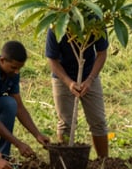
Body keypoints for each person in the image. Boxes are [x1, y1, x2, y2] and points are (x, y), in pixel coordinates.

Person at [0, 40, 50, 160]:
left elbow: (19, 108)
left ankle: (4, 155)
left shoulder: (12, 73)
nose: (17, 72)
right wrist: (18, 144)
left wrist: (37, 134)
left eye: (19, 68)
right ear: (2, 60)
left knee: (10, 103)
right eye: (14, 67)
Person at [46, 28, 110, 158]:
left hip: (89, 74)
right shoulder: (56, 26)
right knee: (65, 123)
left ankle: (104, 162)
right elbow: (52, 60)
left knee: (98, 121)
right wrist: (68, 82)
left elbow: (102, 53)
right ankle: (65, 162)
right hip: (62, 76)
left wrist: (90, 79)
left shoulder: (95, 23)